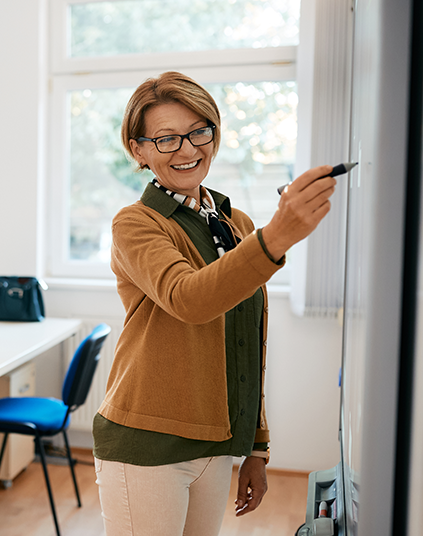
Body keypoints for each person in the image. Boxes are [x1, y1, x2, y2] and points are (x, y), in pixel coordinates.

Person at [93, 71, 337, 536]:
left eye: (198, 131)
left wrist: (257, 445)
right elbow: (190, 298)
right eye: (166, 139)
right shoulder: (136, 224)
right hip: (147, 445)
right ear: (138, 149)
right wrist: (279, 234)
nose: (187, 150)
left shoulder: (235, 222)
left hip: (216, 443)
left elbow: (247, 338)